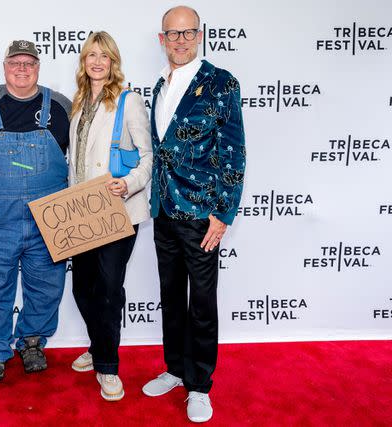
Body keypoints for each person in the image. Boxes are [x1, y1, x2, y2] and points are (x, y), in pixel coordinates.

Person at [142, 6, 246, 423]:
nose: (181, 40)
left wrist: (224, 212)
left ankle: (200, 385)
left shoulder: (220, 82)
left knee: (202, 301)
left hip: (202, 213)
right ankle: (175, 368)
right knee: (170, 295)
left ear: (200, 35)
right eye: (173, 33)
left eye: (189, 33)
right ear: (162, 39)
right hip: (164, 209)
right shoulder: (159, 85)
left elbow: (233, 151)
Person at [0, 40, 71, 382]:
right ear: (4, 66)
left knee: (47, 284)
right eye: (15, 62)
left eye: (29, 63)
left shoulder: (61, 106)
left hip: (48, 213)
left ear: (38, 67)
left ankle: (33, 342)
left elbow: (79, 158)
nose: (22, 69)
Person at [67, 31, 152, 401]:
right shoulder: (79, 100)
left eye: (105, 56)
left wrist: (129, 183)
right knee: (82, 286)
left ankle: (108, 365)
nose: (98, 62)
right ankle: (98, 342)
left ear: (114, 62)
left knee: (107, 289)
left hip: (118, 210)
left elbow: (149, 156)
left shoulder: (128, 101)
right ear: (84, 62)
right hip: (82, 210)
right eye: (91, 55)